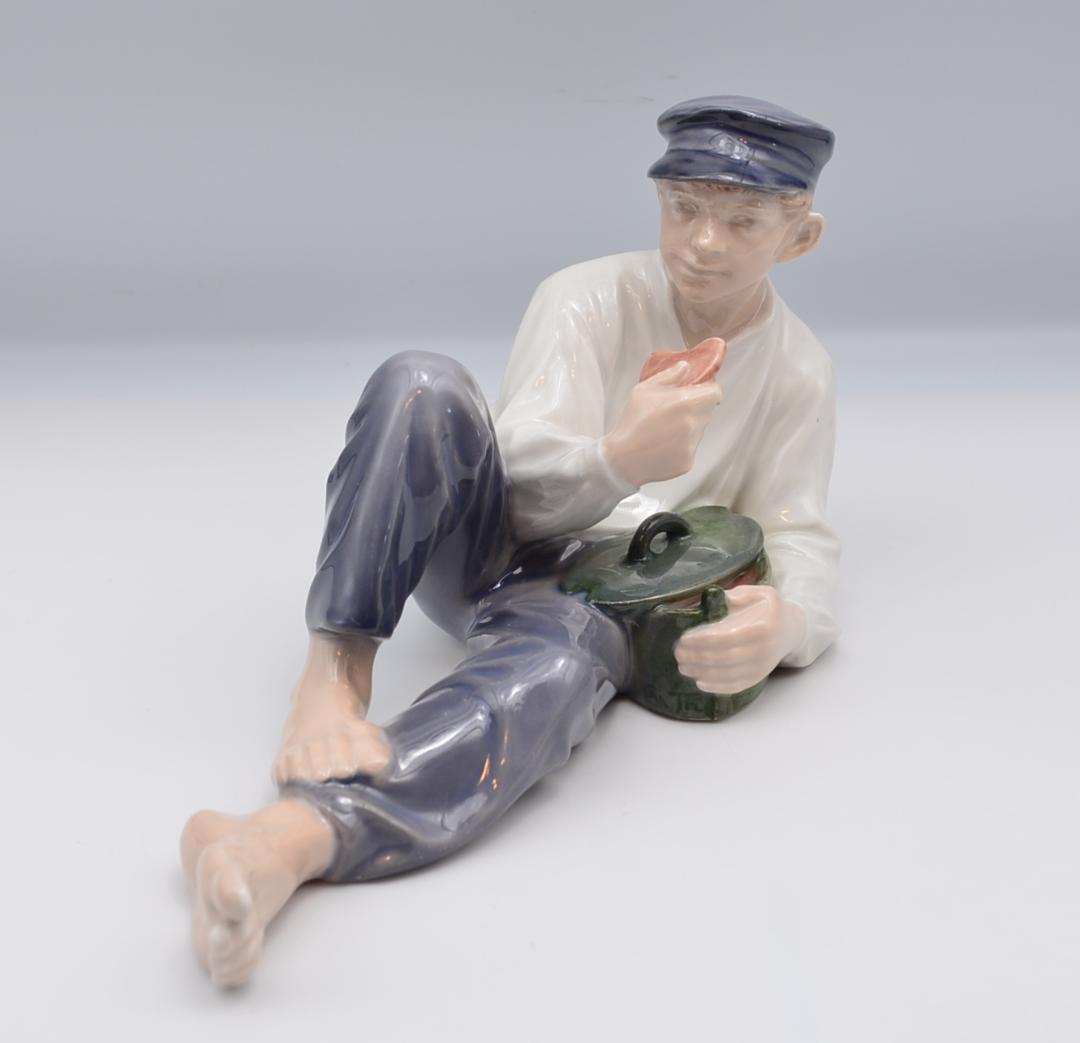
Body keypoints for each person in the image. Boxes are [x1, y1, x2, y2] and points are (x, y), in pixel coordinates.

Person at [180, 96, 840, 988]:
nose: (703, 242)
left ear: (800, 237)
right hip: (495, 537)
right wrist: (616, 459)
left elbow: (801, 532)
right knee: (421, 385)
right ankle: (333, 672)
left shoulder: (799, 370)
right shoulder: (585, 296)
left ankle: (286, 840)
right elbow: (519, 460)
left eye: (744, 221)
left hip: (601, 590)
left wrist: (786, 622)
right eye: (683, 207)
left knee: (551, 677)